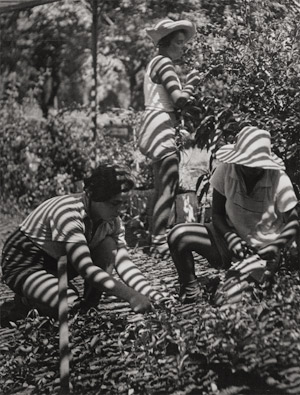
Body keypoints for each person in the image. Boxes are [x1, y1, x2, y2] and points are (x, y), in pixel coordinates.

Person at [1, 164, 165, 318]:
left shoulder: (112, 221)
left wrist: (150, 293)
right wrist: (131, 296)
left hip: (59, 260)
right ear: (96, 195)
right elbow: (86, 268)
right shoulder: (69, 212)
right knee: (69, 305)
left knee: (108, 246)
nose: (121, 210)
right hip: (25, 262)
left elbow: (124, 263)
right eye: (115, 203)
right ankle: (27, 300)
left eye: (124, 203)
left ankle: (88, 305)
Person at [168, 126, 299, 303]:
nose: (252, 169)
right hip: (228, 239)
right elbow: (218, 214)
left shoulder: (279, 179)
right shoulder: (225, 170)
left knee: (225, 300)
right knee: (178, 235)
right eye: (247, 164)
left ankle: (251, 281)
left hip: (261, 251)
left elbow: (294, 221)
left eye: (256, 166)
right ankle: (191, 288)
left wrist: (277, 245)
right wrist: (231, 238)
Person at [137, 18, 201, 258]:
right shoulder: (164, 63)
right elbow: (179, 99)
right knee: (168, 186)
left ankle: (157, 238)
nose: (182, 48)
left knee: (163, 186)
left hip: (156, 125)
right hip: (160, 126)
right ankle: (159, 242)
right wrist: (194, 81)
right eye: (178, 43)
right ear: (165, 43)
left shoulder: (156, 62)